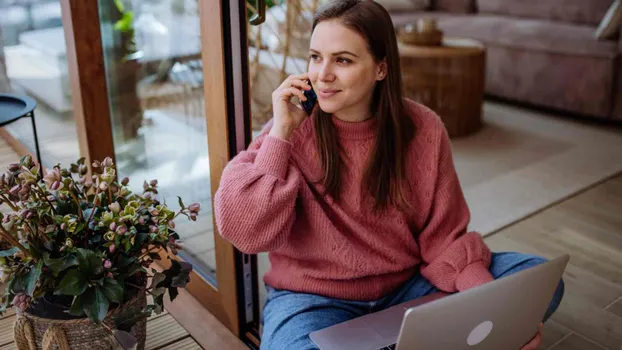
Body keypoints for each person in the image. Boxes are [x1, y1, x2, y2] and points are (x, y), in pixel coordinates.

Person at [214, 1, 564, 349]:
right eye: (315, 57)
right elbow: (246, 232)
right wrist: (280, 134)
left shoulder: (425, 129)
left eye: (343, 60)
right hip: (313, 300)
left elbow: (444, 236)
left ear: (381, 68)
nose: (322, 74)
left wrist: (495, 311)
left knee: (536, 281)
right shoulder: (290, 129)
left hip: (408, 289)